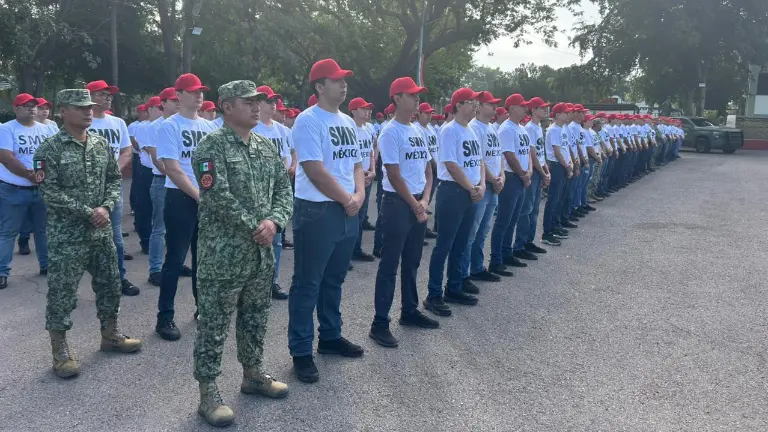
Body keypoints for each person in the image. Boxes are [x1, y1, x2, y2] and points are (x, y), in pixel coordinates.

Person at [191, 80, 293, 427]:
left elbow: (283, 187)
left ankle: (252, 374)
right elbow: (216, 196)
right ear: (226, 106)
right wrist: (257, 225)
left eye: (258, 101)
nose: (256, 106)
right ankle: (208, 393)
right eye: (247, 101)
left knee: (255, 317)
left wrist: (275, 222)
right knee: (214, 325)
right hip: (223, 255)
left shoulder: (265, 147)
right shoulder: (211, 147)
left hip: (260, 254)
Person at [34, 89, 142, 379]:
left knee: (109, 284)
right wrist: (88, 211)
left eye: (90, 107)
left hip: (101, 231)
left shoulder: (100, 144)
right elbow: (49, 191)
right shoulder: (50, 149)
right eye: (80, 107)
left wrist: (106, 207)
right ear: (63, 111)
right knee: (62, 293)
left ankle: (110, 335)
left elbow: (113, 178)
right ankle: (61, 352)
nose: (88, 111)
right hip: (67, 235)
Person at [288, 59, 365, 383]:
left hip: (347, 210)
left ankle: (331, 336)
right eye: (336, 80)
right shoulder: (307, 121)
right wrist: (347, 199)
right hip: (319, 210)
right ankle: (301, 350)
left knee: (334, 280)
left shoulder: (347, 121)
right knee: (308, 283)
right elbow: (314, 170)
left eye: (344, 79)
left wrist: (358, 195)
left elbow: (358, 164)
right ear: (320, 86)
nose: (343, 85)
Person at [369, 77, 437, 348]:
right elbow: (394, 174)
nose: (417, 99)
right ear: (397, 98)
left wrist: (426, 199)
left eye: (418, 94)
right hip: (398, 204)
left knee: (412, 262)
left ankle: (409, 311)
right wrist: (415, 204)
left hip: (418, 202)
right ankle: (380, 323)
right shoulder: (390, 131)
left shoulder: (418, 130)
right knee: (389, 264)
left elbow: (429, 169)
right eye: (412, 94)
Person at [155, 74, 218, 341]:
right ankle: (165, 316)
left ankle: (202, 308)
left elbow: (216, 165)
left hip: (207, 199)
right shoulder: (169, 127)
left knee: (203, 259)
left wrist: (213, 196)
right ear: (178, 95)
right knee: (175, 259)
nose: (198, 95)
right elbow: (173, 169)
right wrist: (199, 196)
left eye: (200, 91)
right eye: (192, 91)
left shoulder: (210, 127)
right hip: (180, 199)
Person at [424, 88, 484, 316]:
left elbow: (478, 160)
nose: (474, 106)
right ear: (458, 105)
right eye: (470, 102)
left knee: (462, 243)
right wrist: (471, 187)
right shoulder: (450, 131)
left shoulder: (471, 130)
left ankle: (454, 286)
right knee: (445, 245)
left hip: (471, 191)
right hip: (454, 192)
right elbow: (450, 164)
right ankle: (434, 294)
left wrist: (482, 186)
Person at [85, 80, 139, 296]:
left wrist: (112, 172)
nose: (108, 98)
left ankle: (119, 278)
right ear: (89, 96)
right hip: (87, 187)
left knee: (115, 236)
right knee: (85, 237)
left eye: (109, 95)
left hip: (112, 186)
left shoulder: (118, 122)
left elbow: (126, 151)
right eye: (102, 94)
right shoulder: (84, 122)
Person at [0, 93, 55, 289]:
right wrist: (29, 175)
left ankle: (47, 266)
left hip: (41, 189)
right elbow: (6, 157)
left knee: (43, 231)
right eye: (25, 105)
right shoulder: (6, 129)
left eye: (33, 105)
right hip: (14, 189)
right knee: (7, 232)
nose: (31, 108)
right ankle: (2, 272)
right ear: (16, 108)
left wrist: (42, 174)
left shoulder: (46, 129)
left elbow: (49, 155)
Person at [139, 88, 184, 287]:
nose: (177, 103)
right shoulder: (154, 126)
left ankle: (177, 262)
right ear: (163, 103)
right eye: (173, 100)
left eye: (178, 100)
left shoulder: (181, 123)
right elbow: (156, 158)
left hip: (181, 182)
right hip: (162, 181)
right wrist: (174, 175)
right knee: (160, 228)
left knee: (179, 229)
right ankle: (155, 269)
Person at [252, 85, 292, 300]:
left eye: (275, 100)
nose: (273, 104)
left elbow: (286, 157)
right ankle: (250, 284)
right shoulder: (253, 127)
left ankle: (271, 281)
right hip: (257, 189)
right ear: (258, 103)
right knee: (254, 237)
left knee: (275, 239)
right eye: (268, 101)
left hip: (276, 189)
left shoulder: (280, 129)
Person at [463, 91, 504, 287]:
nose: (495, 107)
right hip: (482, 185)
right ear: (479, 106)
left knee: (483, 230)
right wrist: (491, 179)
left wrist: (501, 176)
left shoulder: (492, 128)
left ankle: (477, 267)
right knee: (471, 231)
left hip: (493, 184)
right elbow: (478, 161)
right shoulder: (474, 128)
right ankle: (464, 273)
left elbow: (498, 156)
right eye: (490, 104)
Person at [488, 94, 530, 276]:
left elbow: (527, 152)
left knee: (513, 218)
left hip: (521, 177)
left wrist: (528, 172)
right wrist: (522, 173)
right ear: (512, 108)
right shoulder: (507, 129)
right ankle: (496, 259)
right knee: (503, 220)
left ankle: (507, 252)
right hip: (512, 177)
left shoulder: (521, 128)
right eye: (522, 106)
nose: (525, 109)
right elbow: (509, 155)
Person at [512, 96, 553, 257]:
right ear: (533, 110)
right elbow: (533, 155)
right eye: (541, 108)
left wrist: (546, 171)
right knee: (527, 209)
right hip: (534, 172)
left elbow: (541, 154)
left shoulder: (537, 128)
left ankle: (529, 241)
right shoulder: (529, 128)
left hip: (540, 170)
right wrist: (543, 173)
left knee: (534, 209)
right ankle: (520, 245)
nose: (545, 110)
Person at [348, 97, 377, 262]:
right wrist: (362, 173)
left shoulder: (369, 128)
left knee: (361, 216)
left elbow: (371, 151)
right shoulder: (349, 128)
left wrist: (372, 171)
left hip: (367, 177)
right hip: (354, 178)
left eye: (368, 108)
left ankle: (356, 249)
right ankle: (346, 253)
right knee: (351, 217)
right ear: (353, 111)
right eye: (364, 108)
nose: (368, 111)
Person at [541, 103, 573, 246]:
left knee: (560, 198)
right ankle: (547, 232)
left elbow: (566, 149)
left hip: (564, 165)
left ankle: (555, 226)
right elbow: (557, 151)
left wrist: (570, 163)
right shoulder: (553, 130)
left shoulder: (562, 129)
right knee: (553, 199)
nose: (567, 115)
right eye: (565, 113)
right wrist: (566, 166)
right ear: (558, 114)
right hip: (557, 166)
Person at [132, 99, 159, 258]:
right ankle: (146, 241)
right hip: (147, 170)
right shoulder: (143, 127)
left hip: (161, 170)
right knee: (145, 208)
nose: (161, 111)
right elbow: (148, 149)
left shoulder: (164, 125)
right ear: (150, 110)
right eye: (158, 108)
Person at [413, 102, 439, 239]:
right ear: (419, 114)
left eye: (431, 113)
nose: (430, 115)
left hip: (435, 168)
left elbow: (436, 148)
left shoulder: (430, 128)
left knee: (427, 201)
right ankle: (419, 230)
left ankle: (423, 227)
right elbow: (427, 152)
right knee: (422, 199)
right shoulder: (418, 129)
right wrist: (435, 166)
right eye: (427, 113)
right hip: (427, 168)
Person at [128, 104, 149, 250]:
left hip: (146, 160)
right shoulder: (136, 126)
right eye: (142, 111)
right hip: (140, 159)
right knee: (137, 188)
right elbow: (134, 141)